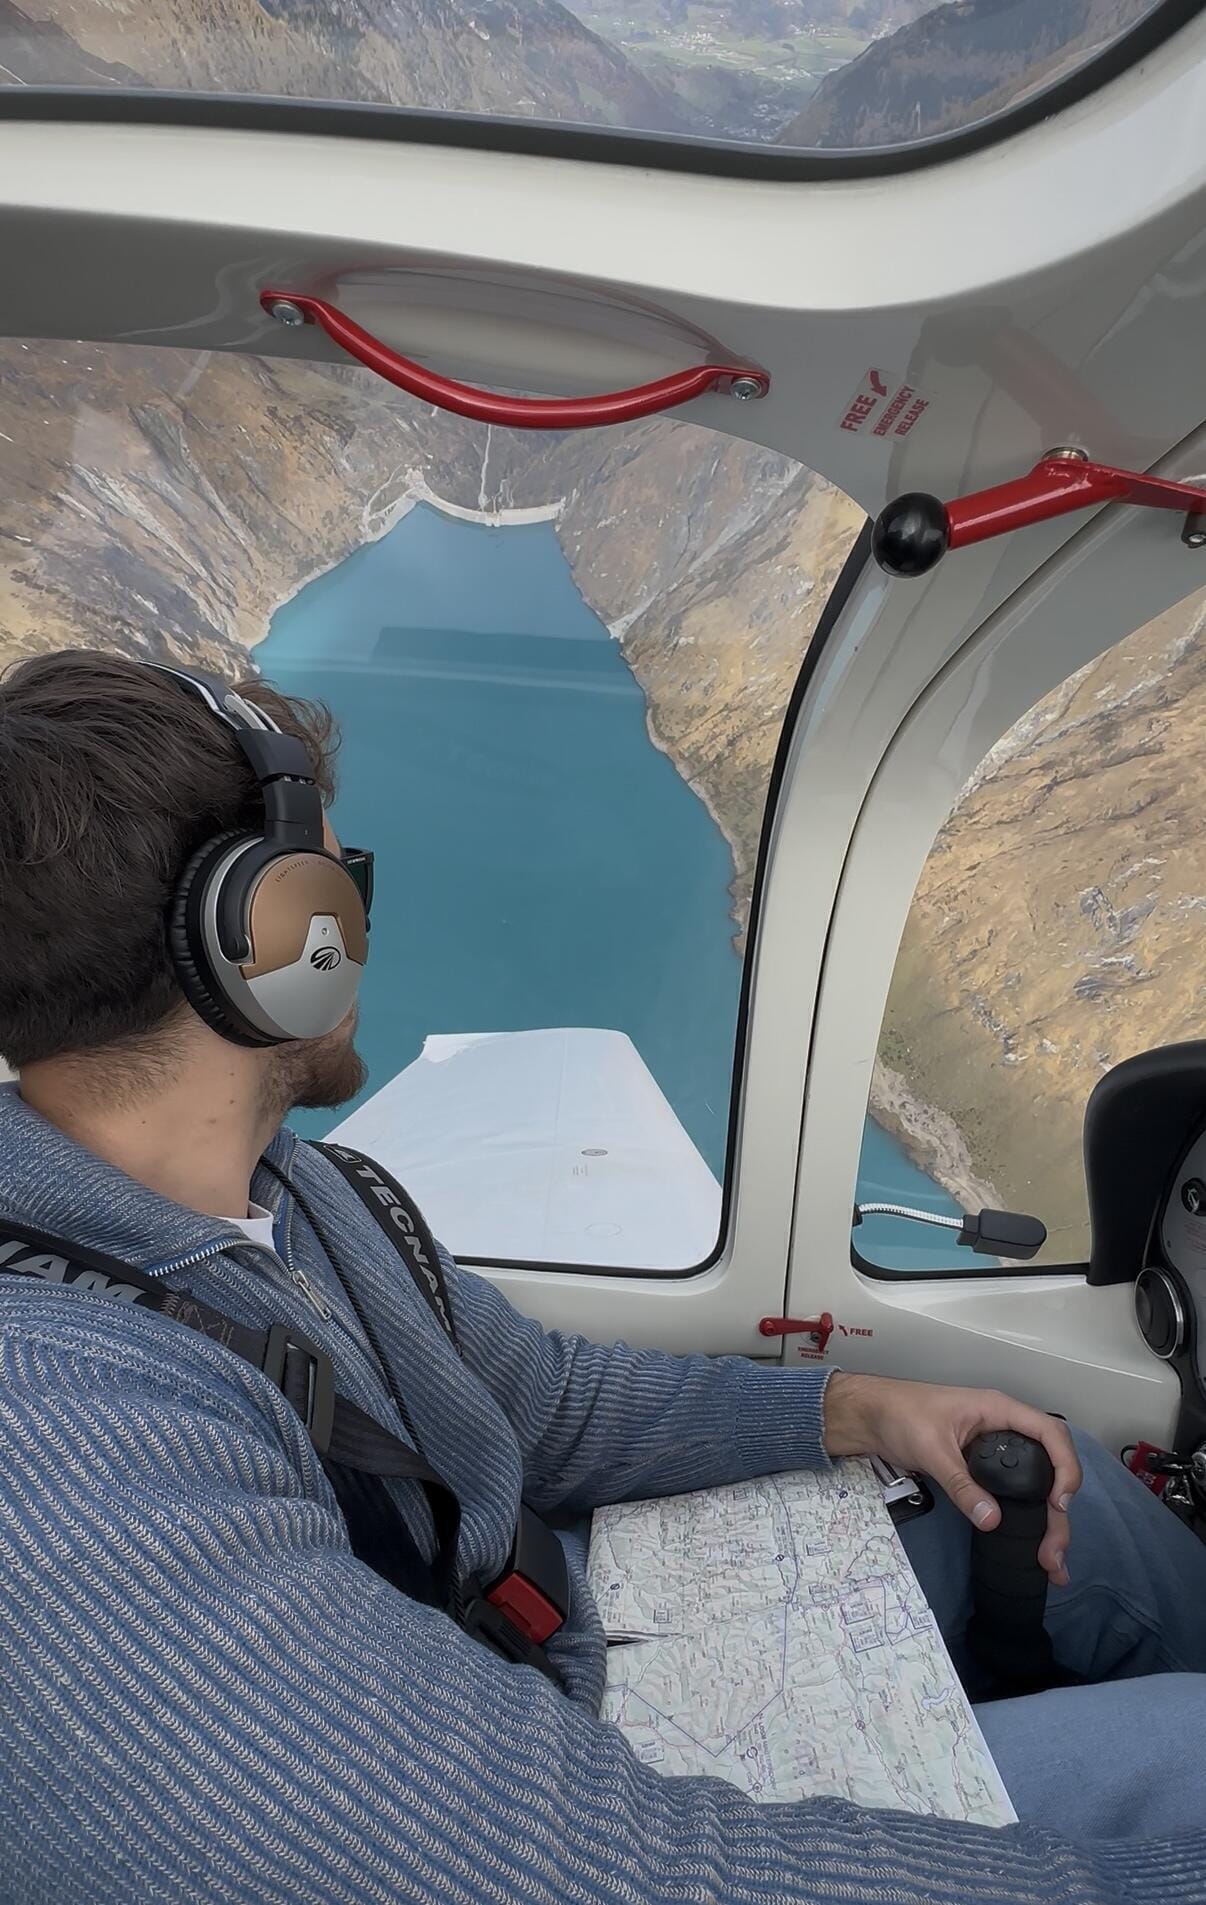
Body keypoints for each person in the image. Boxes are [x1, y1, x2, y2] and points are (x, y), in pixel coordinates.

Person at [0, 647, 1204, 1905]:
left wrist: (855, 1409)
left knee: (1072, 1494)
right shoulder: (57, 1443)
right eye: (343, 885)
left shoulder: (306, 1197)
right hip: (572, 1809)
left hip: (560, 1659)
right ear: (267, 932)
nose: (361, 920)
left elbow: (547, 1406)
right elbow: (609, 1876)